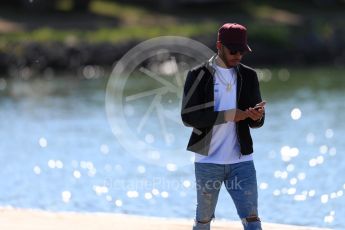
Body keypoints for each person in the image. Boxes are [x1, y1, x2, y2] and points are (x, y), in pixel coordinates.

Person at [181, 23, 266, 230]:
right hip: (207, 160)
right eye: (233, 50)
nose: (238, 55)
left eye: (242, 51)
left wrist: (256, 116)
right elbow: (188, 117)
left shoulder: (249, 76)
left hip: (242, 160)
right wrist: (228, 115)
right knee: (203, 222)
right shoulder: (198, 75)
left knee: (253, 220)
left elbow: (258, 123)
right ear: (219, 45)